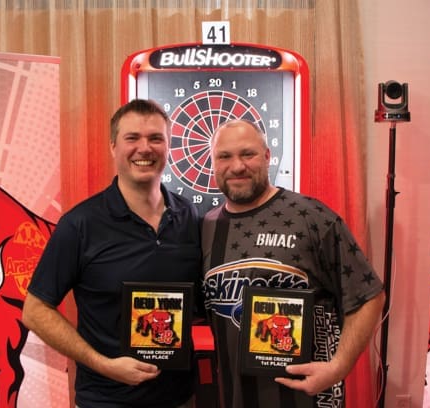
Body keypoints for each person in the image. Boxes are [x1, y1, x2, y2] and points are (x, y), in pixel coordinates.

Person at [22, 99, 202, 408]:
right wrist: (103, 364)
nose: (144, 148)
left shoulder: (188, 215)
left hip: (180, 399)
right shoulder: (80, 224)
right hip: (106, 400)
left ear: (168, 146)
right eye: (132, 138)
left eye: (155, 138)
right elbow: (35, 311)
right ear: (113, 147)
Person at [202, 119, 385, 408]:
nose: (237, 166)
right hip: (234, 398)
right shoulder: (207, 228)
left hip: (307, 399)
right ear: (213, 163)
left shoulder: (311, 217)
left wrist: (338, 367)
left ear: (267, 156)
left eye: (248, 154)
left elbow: (369, 296)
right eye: (224, 156)